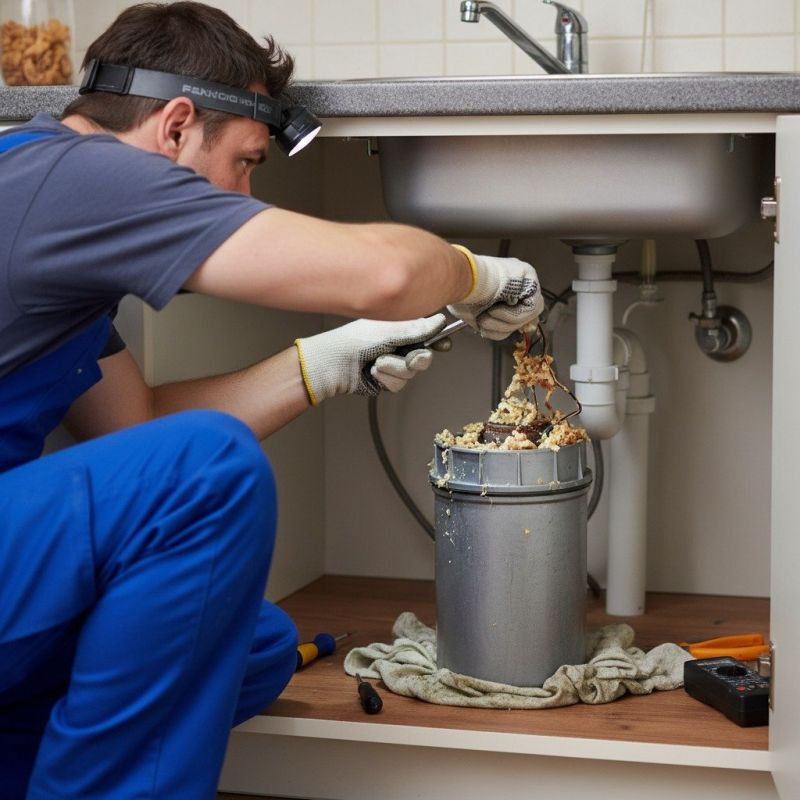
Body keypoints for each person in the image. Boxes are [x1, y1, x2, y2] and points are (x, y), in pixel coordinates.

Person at [0, 3, 544, 797]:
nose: (245, 192)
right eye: (248, 161)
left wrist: (326, 363)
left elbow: (138, 424)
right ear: (177, 127)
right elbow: (384, 274)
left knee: (245, 644)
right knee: (208, 471)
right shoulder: (79, 177)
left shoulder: (49, 196)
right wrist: (482, 274)